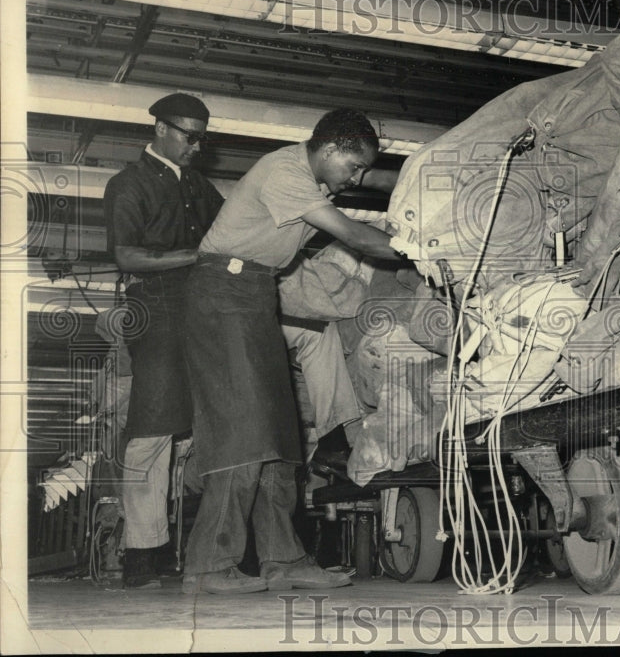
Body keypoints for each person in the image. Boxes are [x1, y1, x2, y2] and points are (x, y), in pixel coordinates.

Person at [180, 107, 400, 595]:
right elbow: (355, 235)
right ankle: (208, 566)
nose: (358, 178)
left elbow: (373, 179)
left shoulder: (317, 178)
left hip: (256, 294)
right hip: (221, 293)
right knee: (242, 431)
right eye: (354, 167)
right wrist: (423, 250)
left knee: (279, 434)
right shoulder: (286, 172)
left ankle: (284, 559)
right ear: (327, 151)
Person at [103, 93, 223, 589]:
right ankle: (140, 554)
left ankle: (174, 544)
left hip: (201, 308)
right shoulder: (127, 184)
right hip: (153, 307)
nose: (197, 146)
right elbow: (128, 257)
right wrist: (197, 257)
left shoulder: (198, 184)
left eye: (202, 137)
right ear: (160, 130)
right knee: (152, 430)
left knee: (185, 433)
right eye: (189, 136)